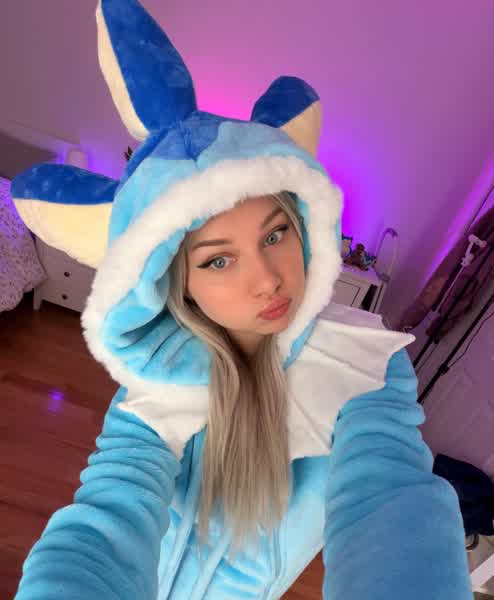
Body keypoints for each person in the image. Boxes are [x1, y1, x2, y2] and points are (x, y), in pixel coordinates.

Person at [11, 0, 473, 598]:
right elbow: (102, 527)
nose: (268, 281)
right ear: (176, 280)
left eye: (275, 234)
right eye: (218, 260)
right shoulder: (156, 384)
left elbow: (393, 505)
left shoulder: (365, 365)